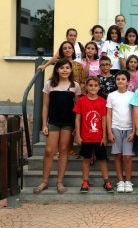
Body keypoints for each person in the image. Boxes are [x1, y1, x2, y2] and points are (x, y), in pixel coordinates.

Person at [33, 58, 81, 194]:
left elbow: (77, 108)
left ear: (71, 70)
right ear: (57, 70)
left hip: (68, 123)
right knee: (49, 151)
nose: (64, 70)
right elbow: (45, 106)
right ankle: (45, 181)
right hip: (53, 122)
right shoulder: (50, 84)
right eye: (62, 68)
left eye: (67, 68)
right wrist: (44, 124)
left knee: (64, 150)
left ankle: (60, 181)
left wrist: (77, 127)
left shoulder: (75, 85)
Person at [74, 76, 114, 193]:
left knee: (102, 159)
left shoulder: (102, 101)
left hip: (99, 138)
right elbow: (78, 118)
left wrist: (104, 136)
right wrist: (78, 135)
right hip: (85, 137)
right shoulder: (81, 101)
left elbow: (104, 119)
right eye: (90, 85)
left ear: (99, 87)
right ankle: (85, 181)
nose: (93, 88)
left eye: (95, 85)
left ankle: (106, 181)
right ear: (86, 87)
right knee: (86, 159)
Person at [107, 71, 135, 193]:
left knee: (127, 156)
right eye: (118, 79)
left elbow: (135, 113)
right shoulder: (111, 95)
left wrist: (134, 130)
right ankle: (120, 181)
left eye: (123, 79)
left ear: (128, 82)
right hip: (115, 128)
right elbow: (108, 115)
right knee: (117, 155)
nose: (120, 81)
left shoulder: (133, 95)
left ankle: (128, 181)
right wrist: (109, 131)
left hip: (129, 128)